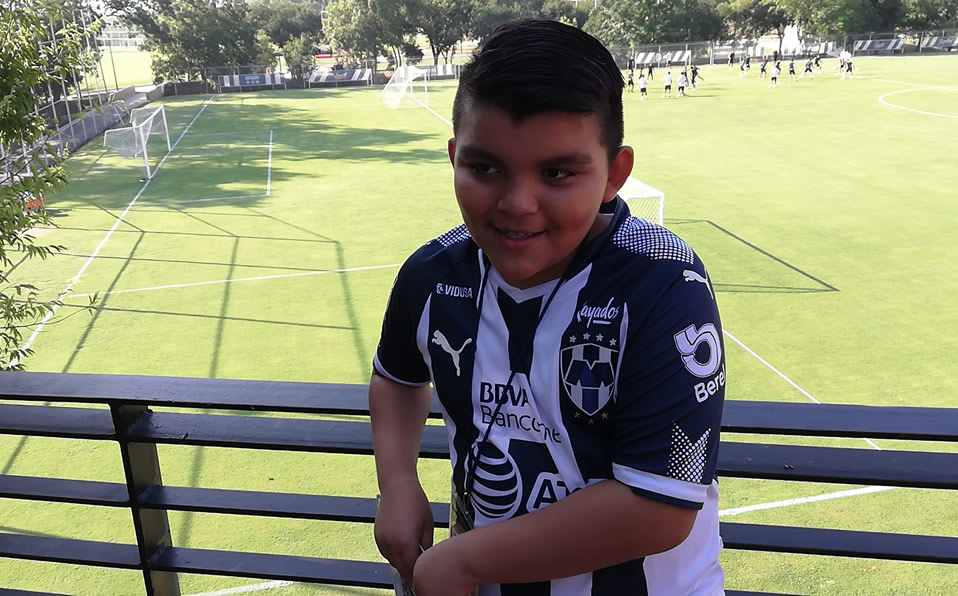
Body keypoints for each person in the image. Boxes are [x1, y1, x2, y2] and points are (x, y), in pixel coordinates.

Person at [370, 19, 726, 596]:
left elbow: (660, 507)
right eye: (485, 168)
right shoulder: (432, 275)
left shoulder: (664, 283)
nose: (518, 204)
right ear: (455, 158)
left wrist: (462, 563)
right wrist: (397, 483)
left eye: (557, 172)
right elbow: (396, 376)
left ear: (614, 175)